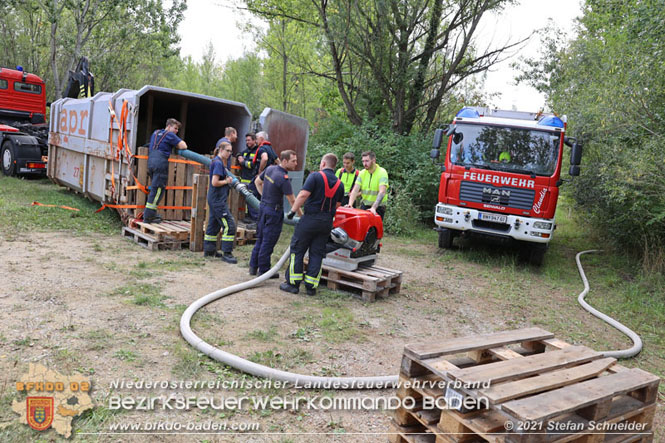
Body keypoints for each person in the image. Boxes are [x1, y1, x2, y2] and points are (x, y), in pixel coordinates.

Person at [280, 153, 345, 296]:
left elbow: (303, 195)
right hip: (326, 222)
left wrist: (292, 211)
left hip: (310, 220)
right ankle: (311, 287)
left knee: (297, 250)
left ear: (323, 164)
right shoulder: (340, 184)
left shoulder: (315, 177)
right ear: (335, 166)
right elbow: (337, 205)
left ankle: (293, 284)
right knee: (317, 253)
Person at [249, 150, 301, 277]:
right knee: (268, 240)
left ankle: (253, 267)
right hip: (273, 212)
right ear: (284, 161)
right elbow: (293, 200)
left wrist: (265, 197)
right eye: (293, 161)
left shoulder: (270, 169)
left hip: (264, 208)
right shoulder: (283, 179)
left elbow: (257, 182)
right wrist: (302, 216)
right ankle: (264, 270)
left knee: (260, 238)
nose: (296, 163)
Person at [143, 118, 188, 224]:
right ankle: (148, 216)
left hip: (151, 162)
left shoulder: (156, 133)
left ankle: (150, 214)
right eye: (175, 128)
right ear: (168, 126)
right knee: (158, 190)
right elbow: (183, 146)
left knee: (154, 189)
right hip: (160, 163)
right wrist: (176, 143)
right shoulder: (169, 135)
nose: (176, 131)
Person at [203, 141, 238, 263]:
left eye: (231, 151)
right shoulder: (218, 163)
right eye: (227, 150)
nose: (229, 153)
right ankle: (227, 253)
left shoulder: (218, 162)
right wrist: (227, 181)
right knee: (229, 224)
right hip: (218, 200)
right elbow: (215, 182)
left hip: (215, 199)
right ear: (221, 150)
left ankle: (209, 250)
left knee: (214, 224)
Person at [345, 151, 389, 220]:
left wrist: (374, 208)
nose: (364, 164)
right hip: (365, 205)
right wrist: (350, 204)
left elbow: (382, 191)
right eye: (363, 161)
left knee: (374, 229)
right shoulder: (362, 173)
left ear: (373, 160)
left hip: (378, 207)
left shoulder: (382, 172)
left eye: (367, 161)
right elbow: (355, 190)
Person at [237, 133, 260, 222]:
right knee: (247, 199)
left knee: (252, 199)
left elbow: (253, 165)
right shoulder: (246, 151)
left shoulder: (257, 151)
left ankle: (255, 219)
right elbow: (239, 153)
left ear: (254, 140)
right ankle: (250, 217)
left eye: (249, 140)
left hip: (253, 180)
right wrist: (239, 156)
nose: (247, 142)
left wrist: (243, 162)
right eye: (246, 140)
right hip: (245, 180)